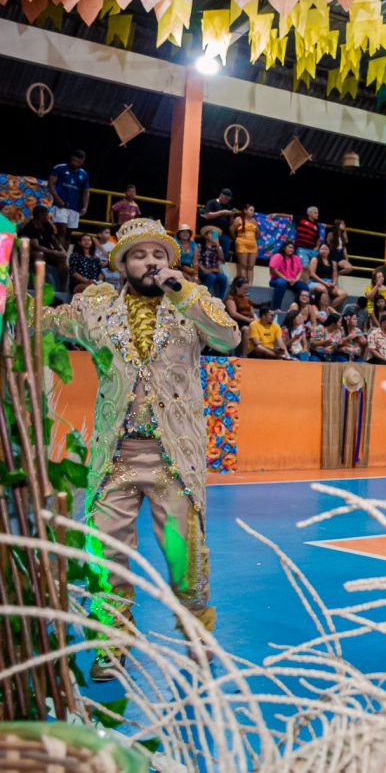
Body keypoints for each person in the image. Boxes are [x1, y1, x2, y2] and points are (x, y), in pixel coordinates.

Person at [43, 218, 239, 680]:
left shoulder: (191, 305)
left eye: (158, 255)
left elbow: (228, 337)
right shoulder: (97, 310)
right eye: (139, 255)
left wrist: (183, 291)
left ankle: (196, 630)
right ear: (122, 265)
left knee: (184, 554)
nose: (150, 262)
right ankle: (112, 641)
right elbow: (45, 322)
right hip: (114, 454)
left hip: (175, 455)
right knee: (105, 553)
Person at [19, 205, 68, 290]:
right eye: (46, 215)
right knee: (39, 255)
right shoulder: (29, 227)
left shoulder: (47, 226)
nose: (48, 217)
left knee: (62, 258)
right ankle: (39, 283)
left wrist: (61, 250)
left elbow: (54, 241)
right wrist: (53, 252)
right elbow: (36, 246)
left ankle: (63, 287)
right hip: (32, 253)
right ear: (40, 215)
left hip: (47, 251)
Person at [48, 148, 90, 248]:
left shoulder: (84, 174)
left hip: (75, 207)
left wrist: (85, 207)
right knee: (61, 230)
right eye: (74, 160)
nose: (75, 163)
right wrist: (57, 199)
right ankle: (58, 254)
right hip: (60, 205)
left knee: (68, 233)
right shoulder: (60, 168)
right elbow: (51, 184)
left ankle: (64, 255)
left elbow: (86, 191)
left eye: (78, 162)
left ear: (82, 161)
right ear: (71, 158)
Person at [268, 241, 310, 310]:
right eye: (290, 247)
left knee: (305, 287)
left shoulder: (296, 258)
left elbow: (300, 270)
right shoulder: (278, 256)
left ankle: (298, 308)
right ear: (284, 248)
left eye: (293, 248)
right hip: (277, 280)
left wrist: (296, 280)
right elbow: (273, 270)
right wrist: (286, 279)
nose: (292, 249)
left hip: (292, 282)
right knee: (282, 283)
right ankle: (276, 308)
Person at [200, 188, 237, 260]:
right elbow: (207, 215)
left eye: (229, 199)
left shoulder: (228, 207)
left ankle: (221, 263)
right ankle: (212, 260)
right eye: (226, 198)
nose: (227, 200)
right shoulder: (212, 202)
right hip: (213, 230)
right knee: (215, 247)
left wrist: (231, 216)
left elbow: (231, 224)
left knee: (225, 253)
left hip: (225, 234)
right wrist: (222, 212)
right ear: (221, 195)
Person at [307, 247, 347, 311]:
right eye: (322, 249)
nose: (324, 251)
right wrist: (324, 283)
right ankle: (323, 310)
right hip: (315, 282)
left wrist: (333, 284)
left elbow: (335, 276)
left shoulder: (333, 262)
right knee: (324, 289)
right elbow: (312, 274)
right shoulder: (315, 259)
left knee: (343, 294)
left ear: (329, 251)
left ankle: (328, 309)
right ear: (319, 250)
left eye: (326, 249)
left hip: (329, 283)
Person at [196, 226, 228, 299]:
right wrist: (203, 269)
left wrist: (218, 245)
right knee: (211, 276)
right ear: (206, 236)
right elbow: (196, 260)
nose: (214, 236)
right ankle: (201, 295)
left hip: (213, 270)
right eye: (212, 233)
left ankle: (220, 299)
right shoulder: (200, 246)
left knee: (223, 278)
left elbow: (222, 259)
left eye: (215, 235)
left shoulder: (218, 248)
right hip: (202, 270)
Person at [231, 203, 259, 283]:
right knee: (243, 265)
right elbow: (232, 230)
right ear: (245, 210)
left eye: (253, 210)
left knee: (251, 266)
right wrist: (237, 239)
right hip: (242, 244)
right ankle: (243, 284)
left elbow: (258, 233)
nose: (252, 212)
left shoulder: (254, 221)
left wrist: (253, 240)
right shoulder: (239, 219)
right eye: (251, 210)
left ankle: (250, 285)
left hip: (252, 245)